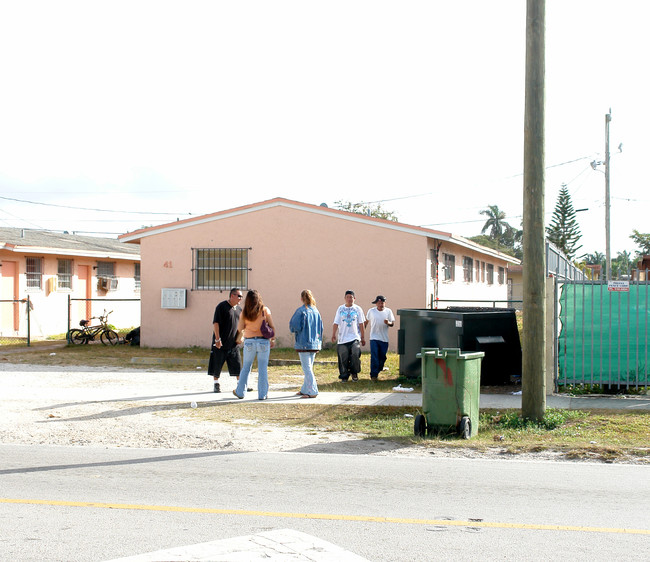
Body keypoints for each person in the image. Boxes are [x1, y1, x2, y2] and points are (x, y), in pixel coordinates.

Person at [233, 290, 276, 400]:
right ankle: (262, 394)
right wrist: (273, 339)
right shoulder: (265, 310)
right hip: (263, 341)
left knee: (246, 367)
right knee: (262, 369)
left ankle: (240, 392)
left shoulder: (244, 312)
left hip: (249, 341)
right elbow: (272, 326)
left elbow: (239, 328)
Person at [207, 288, 244, 392]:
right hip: (220, 342)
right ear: (232, 296)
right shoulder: (222, 307)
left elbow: (241, 325)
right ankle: (216, 384)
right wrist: (217, 339)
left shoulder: (239, 310)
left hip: (233, 343)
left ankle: (240, 385)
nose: (241, 298)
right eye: (239, 296)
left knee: (237, 365)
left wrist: (241, 336)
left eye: (241, 296)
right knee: (216, 364)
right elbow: (216, 323)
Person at [289, 289, 323, 398]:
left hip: (303, 342)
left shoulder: (301, 311)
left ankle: (312, 391)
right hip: (314, 343)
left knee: (307, 368)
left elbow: (294, 326)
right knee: (309, 367)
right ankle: (304, 389)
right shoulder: (316, 311)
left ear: (302, 298)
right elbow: (321, 328)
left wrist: (294, 330)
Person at [331, 290, 366, 382]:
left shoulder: (358, 309)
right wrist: (333, 334)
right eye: (347, 297)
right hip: (343, 338)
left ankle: (354, 373)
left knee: (355, 353)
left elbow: (361, 324)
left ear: (354, 298)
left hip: (354, 337)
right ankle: (344, 375)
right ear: (345, 298)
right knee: (343, 356)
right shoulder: (340, 309)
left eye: (351, 297)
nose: (349, 299)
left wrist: (362, 337)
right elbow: (336, 322)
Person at [364, 295, 395, 381]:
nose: (381, 305)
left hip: (384, 338)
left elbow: (392, 323)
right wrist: (362, 334)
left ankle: (379, 368)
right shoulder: (371, 311)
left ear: (385, 303)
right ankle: (373, 375)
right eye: (379, 303)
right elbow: (366, 322)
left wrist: (388, 322)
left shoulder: (388, 311)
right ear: (376, 303)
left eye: (382, 303)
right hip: (374, 337)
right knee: (374, 356)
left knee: (382, 356)